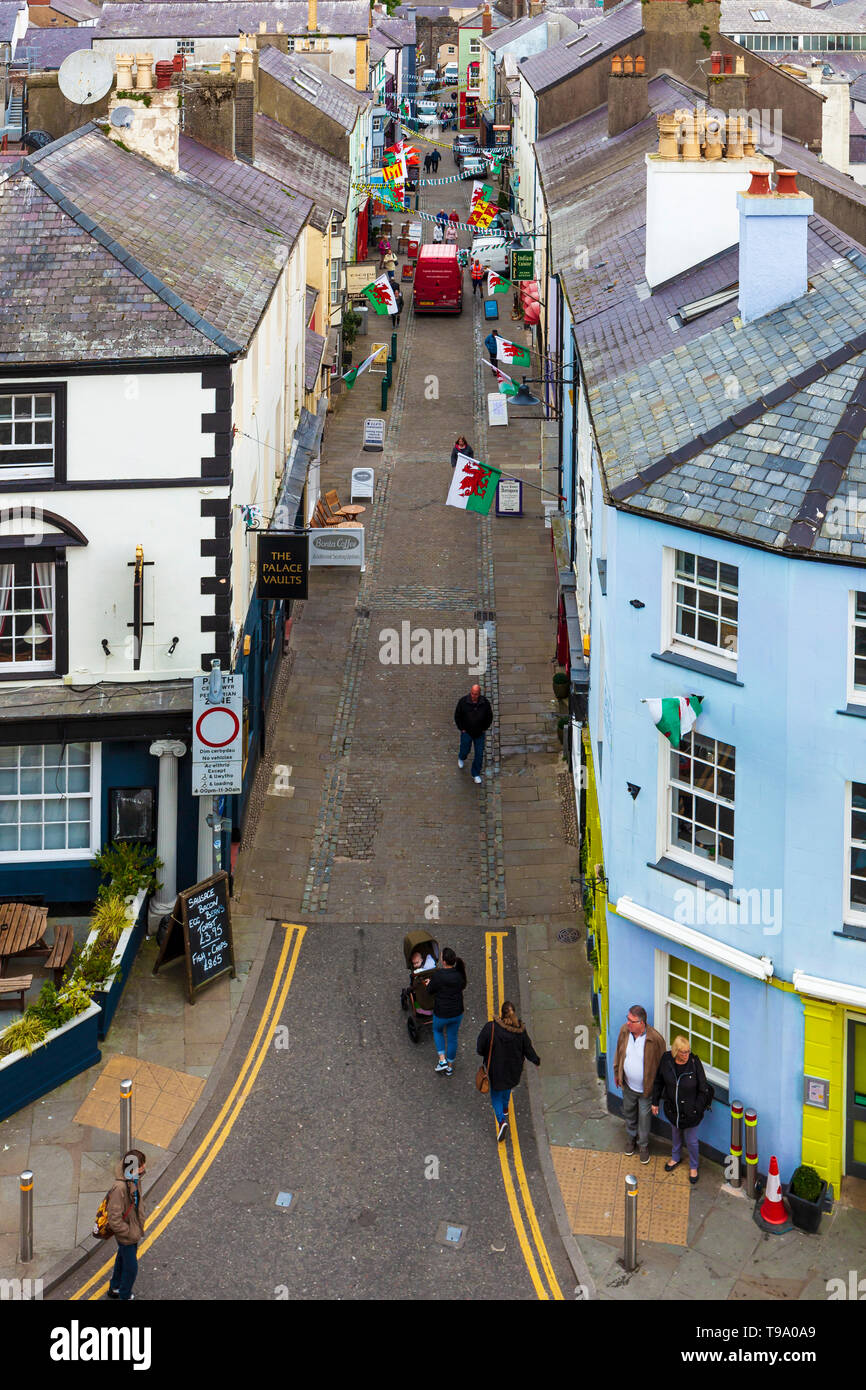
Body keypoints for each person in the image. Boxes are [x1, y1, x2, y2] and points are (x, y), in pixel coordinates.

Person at [476, 1000, 540, 1142]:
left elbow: (480, 1047)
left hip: (495, 1070)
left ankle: (501, 1121)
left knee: (496, 1096)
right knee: (507, 1089)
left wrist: (483, 1053)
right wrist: (536, 1061)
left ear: (501, 1013)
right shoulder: (520, 1031)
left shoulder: (491, 1028)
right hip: (514, 1070)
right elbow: (528, 1049)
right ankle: (505, 1108)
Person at [652, 1035, 712, 1184]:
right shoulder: (666, 1060)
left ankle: (693, 1167)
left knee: (691, 1141)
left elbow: (703, 1088)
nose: (686, 1055)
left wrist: (696, 1109)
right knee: (676, 1135)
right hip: (673, 1109)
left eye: (688, 1051)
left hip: (691, 1113)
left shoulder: (694, 1062)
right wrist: (655, 1102)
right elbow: (659, 1082)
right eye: (683, 1052)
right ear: (675, 1051)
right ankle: (675, 1158)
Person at [613, 1004, 666, 1165]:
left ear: (642, 1023)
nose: (628, 1023)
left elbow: (661, 1067)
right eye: (627, 1019)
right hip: (628, 1085)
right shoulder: (624, 1031)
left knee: (644, 1117)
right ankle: (631, 1138)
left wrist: (657, 1093)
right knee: (629, 1112)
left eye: (632, 1021)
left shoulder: (655, 1039)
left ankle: (643, 1146)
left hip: (646, 1090)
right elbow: (619, 1052)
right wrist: (617, 1073)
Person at [106, 1149, 147, 1301]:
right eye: (141, 1165)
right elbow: (114, 1218)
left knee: (122, 1258)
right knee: (131, 1269)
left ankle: (115, 1287)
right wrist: (129, 1232)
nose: (144, 1168)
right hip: (127, 1233)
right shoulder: (120, 1188)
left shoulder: (134, 1178)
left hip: (133, 1227)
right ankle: (124, 1295)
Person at [423, 947, 467, 1075]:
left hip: (441, 1013)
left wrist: (429, 983)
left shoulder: (439, 975)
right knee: (452, 1037)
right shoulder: (460, 974)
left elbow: (430, 990)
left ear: (444, 962)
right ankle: (449, 1067)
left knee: (437, 1031)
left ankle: (442, 1060)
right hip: (457, 1012)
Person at [454, 683, 493, 784]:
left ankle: (475, 773)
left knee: (479, 754)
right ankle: (461, 757)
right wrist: (461, 728)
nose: (473, 696)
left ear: (479, 694)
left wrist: (485, 728)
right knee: (465, 748)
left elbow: (489, 717)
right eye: (472, 693)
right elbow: (457, 716)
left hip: (479, 733)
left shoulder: (485, 703)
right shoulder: (463, 702)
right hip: (467, 732)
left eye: (475, 694)